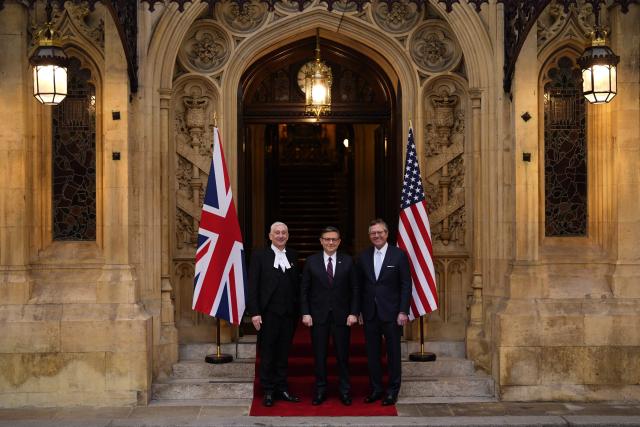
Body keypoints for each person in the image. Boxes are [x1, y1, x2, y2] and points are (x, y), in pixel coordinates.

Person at [300, 226, 359, 406]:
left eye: (334, 239)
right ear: (321, 241)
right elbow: (304, 290)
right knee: (319, 356)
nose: (330, 242)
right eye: (327, 239)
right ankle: (320, 390)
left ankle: (345, 391)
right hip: (318, 317)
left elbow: (355, 289)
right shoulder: (311, 261)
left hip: (343, 317)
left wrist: (354, 312)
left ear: (339, 241)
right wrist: (305, 312)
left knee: (342, 356)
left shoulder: (348, 261)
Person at [247, 221, 301, 407]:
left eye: (284, 233)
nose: (280, 235)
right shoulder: (259, 256)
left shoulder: (293, 255)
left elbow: (297, 286)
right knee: (268, 354)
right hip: (267, 315)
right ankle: (268, 391)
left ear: (287, 235)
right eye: (276, 232)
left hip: (288, 315)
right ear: (270, 236)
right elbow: (252, 286)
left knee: (283, 354)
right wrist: (254, 312)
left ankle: (282, 388)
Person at [357, 218, 411, 406]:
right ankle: (376, 389)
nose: (376, 235)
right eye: (373, 233)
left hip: (393, 314)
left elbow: (406, 285)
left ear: (386, 234)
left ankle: (392, 390)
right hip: (370, 313)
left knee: (393, 354)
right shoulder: (363, 256)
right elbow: (359, 287)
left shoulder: (399, 255)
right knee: (372, 354)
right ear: (370, 235)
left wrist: (403, 311)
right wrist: (359, 312)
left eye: (380, 232)